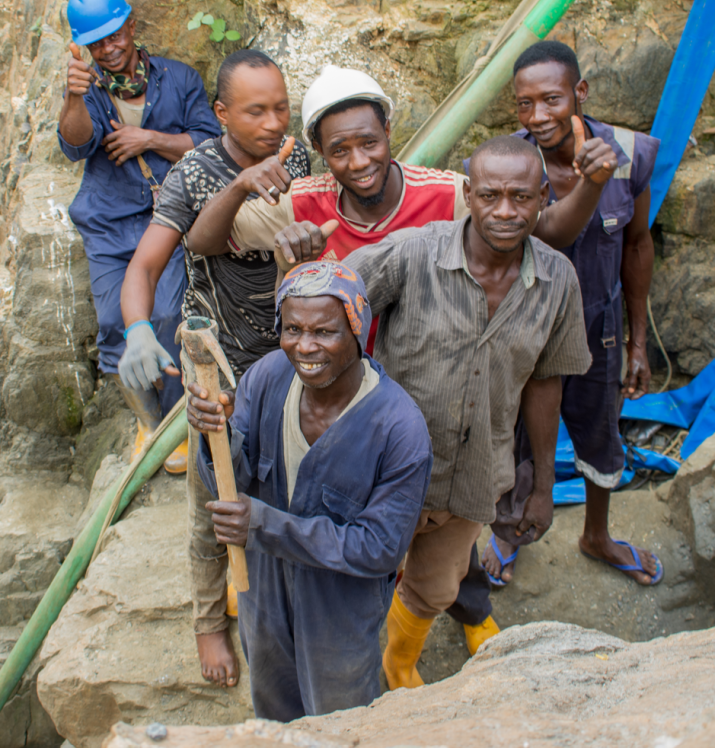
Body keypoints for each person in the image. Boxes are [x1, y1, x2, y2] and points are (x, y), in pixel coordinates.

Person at [186, 63, 615, 655]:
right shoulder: (315, 209)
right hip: (364, 403)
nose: (359, 160)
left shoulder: (451, 199)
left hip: (468, 425)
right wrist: (294, 262)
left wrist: (540, 481)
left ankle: (409, 645)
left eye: (370, 142)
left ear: (390, 132)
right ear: (319, 153)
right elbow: (271, 287)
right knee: (353, 545)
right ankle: (288, 625)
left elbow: (544, 367)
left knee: (442, 567)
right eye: (340, 149)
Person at [340, 135, 593, 690]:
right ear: (468, 194)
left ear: (544, 196)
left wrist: (543, 484)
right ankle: (344, 674)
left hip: (472, 473)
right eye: (491, 195)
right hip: (382, 472)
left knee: (434, 588)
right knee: (355, 577)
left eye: (522, 198)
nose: (506, 212)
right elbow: (329, 309)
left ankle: (398, 665)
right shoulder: (410, 254)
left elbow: (546, 383)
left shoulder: (557, 282)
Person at [119, 49, 310, 689]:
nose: (273, 121)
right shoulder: (196, 173)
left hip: (293, 348)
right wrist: (139, 331)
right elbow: (150, 264)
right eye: (256, 110)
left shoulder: (300, 157)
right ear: (223, 113)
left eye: (281, 106)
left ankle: (277, 590)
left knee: (287, 474)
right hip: (220, 354)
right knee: (214, 489)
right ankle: (208, 619)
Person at [186, 261, 432, 721]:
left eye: (325, 332)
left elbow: (378, 548)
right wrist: (211, 435)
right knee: (274, 701)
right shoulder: (266, 378)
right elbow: (230, 479)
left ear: (358, 331)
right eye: (293, 329)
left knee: (338, 716)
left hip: (339, 606)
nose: (305, 347)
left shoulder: (399, 429)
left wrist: (263, 523)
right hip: (262, 587)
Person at [476, 40, 662, 588]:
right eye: (524, 104)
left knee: (600, 433)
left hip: (596, 330)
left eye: (551, 99)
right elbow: (546, 234)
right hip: (520, 333)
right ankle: (511, 531)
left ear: (579, 92)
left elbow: (637, 246)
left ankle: (596, 536)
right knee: (512, 435)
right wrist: (587, 185)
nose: (538, 116)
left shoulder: (629, 153)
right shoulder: (510, 162)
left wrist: (636, 343)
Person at [58, 0, 221, 466]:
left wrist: (147, 138)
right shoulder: (88, 90)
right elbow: (75, 145)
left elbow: (209, 143)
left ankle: (177, 425)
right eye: (97, 43)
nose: (109, 49)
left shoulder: (178, 78)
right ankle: (148, 424)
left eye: (115, 36)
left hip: (168, 218)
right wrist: (72, 98)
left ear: (131, 26)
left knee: (167, 317)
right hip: (109, 223)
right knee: (116, 324)